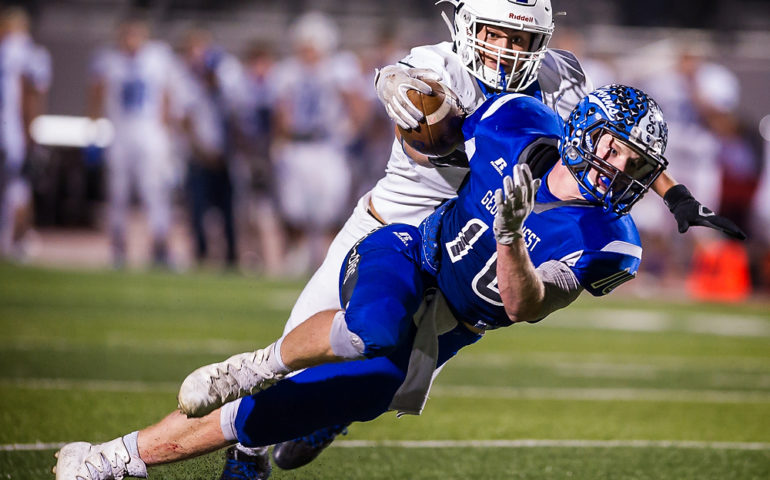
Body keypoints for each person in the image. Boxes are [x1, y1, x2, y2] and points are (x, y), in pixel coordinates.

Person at [55, 84, 671, 480]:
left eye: (636, 167)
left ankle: (120, 458)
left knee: (340, 395)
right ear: (583, 131)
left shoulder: (613, 242)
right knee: (372, 329)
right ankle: (258, 364)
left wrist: (509, 236)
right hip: (405, 253)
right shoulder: (516, 121)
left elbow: (524, 303)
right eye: (614, 151)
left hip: (449, 326)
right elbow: (429, 125)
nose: (620, 173)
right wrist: (402, 96)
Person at [252, 1, 745, 474]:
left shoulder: (558, 76)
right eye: (497, 33)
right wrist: (398, 88)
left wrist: (673, 192)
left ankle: (334, 413)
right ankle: (244, 453)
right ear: (469, 25)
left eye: (522, 37)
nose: (507, 48)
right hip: (393, 227)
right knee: (302, 350)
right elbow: (414, 108)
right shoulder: (437, 66)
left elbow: (614, 138)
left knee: (384, 382)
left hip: (473, 247)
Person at [269, 11, 369, 275]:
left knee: (330, 209)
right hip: (298, 145)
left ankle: (326, 261)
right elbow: (282, 111)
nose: (308, 49)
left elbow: (357, 104)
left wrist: (352, 132)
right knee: (294, 208)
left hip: (327, 147)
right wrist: (280, 139)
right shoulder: (288, 71)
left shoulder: (338, 68)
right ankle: (298, 257)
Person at [88, 16, 177, 268]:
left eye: (135, 34)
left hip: (150, 134)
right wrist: (93, 130)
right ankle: (118, 248)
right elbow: (95, 93)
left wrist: (167, 135)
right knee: (117, 194)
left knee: (155, 192)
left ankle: (160, 248)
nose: (131, 40)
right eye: (127, 34)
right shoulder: (107, 60)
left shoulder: (157, 57)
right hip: (120, 133)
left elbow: (166, 97)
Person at [176, 27, 244, 269]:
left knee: (230, 211)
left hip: (226, 157)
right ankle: (201, 255)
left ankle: (232, 257)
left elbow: (238, 118)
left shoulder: (229, 79)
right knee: (198, 209)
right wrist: (201, 151)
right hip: (200, 157)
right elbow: (186, 121)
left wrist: (231, 150)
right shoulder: (187, 82)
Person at [0, 7, 51, 258]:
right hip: (10, 129)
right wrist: (32, 130)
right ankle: (15, 241)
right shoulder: (25, 51)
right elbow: (31, 94)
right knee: (18, 186)